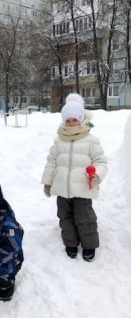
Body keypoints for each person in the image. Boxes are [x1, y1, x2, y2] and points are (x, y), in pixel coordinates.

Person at [41, 93, 108, 261]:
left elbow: (101, 162)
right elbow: (51, 162)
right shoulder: (59, 141)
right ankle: (70, 242)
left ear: (81, 119)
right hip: (62, 188)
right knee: (65, 217)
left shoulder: (91, 140)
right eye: (68, 120)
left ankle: (89, 245)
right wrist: (48, 182)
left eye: (74, 120)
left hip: (83, 187)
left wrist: (97, 175)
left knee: (84, 218)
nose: (71, 123)